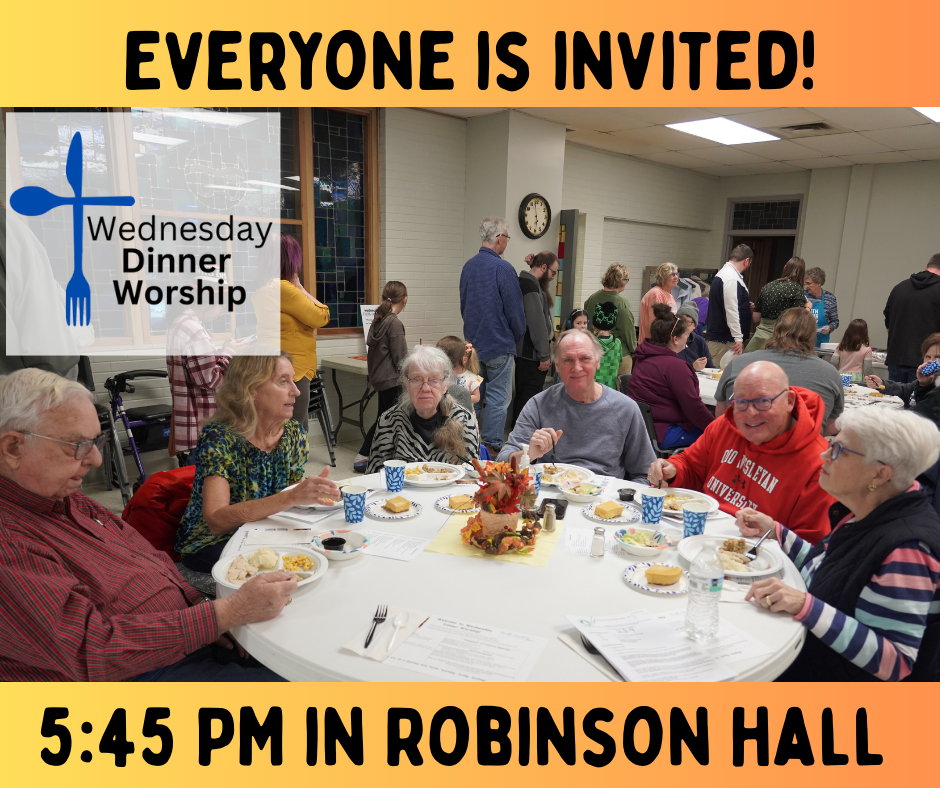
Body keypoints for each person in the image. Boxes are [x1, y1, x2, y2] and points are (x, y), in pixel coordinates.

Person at [0, 368, 303, 681]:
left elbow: (150, 557)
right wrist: (227, 613)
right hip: (133, 672)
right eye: (76, 444)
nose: (96, 460)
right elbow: (90, 651)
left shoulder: (66, 498)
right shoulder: (10, 539)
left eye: (96, 441)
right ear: (13, 448)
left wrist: (201, 607)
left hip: (183, 630)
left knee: (302, 651)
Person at [736, 408, 940, 681]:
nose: (824, 455)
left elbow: (895, 661)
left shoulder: (908, 549)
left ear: (879, 474)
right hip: (806, 656)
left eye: (839, 450)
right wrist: (777, 532)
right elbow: (833, 574)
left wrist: (805, 606)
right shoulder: (872, 509)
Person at [176, 352, 339, 574]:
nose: (296, 391)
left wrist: (307, 497)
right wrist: (292, 497)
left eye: (293, 380)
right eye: (283, 381)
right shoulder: (220, 437)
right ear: (252, 389)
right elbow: (216, 521)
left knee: (322, 551)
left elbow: (288, 498)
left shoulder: (294, 433)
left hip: (264, 529)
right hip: (212, 542)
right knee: (278, 571)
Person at [648, 361, 834, 544]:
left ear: (789, 401)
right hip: (700, 538)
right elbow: (690, 465)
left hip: (759, 555)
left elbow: (811, 548)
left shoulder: (820, 465)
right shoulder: (724, 426)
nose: (750, 413)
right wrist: (672, 470)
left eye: (763, 401)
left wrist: (774, 532)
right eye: (741, 402)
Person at [498, 329, 656, 482]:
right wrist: (529, 454)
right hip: (550, 495)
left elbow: (646, 474)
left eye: (585, 358)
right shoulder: (539, 405)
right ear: (557, 365)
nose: (577, 368)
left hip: (604, 495)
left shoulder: (625, 409)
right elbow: (501, 462)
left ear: (597, 362)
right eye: (568, 360)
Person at [715, 308, 844, 433]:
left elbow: (721, 415)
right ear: (812, 336)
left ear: (774, 330)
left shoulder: (738, 363)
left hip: (740, 442)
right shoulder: (830, 373)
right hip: (802, 444)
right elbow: (834, 424)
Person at [166, 279, 254, 461]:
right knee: (205, 474)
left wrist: (224, 350)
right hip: (202, 423)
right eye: (221, 306)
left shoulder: (180, 323)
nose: (221, 312)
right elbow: (210, 380)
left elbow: (199, 367)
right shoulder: (194, 330)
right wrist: (230, 353)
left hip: (193, 421)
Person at [459, 217, 526, 455]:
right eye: (507, 237)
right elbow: (515, 311)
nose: (506, 242)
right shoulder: (503, 268)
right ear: (499, 238)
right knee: (498, 399)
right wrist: (516, 336)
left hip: (473, 344)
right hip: (499, 344)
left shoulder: (468, 266)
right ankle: (491, 447)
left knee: (474, 397)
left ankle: (469, 446)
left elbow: (464, 305)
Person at [254, 233, 331, 424]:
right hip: (293, 369)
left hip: (275, 366)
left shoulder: (263, 288)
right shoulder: (283, 288)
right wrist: (300, 288)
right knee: (296, 428)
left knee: (280, 425)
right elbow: (322, 316)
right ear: (288, 260)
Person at [367, 345, 480, 472]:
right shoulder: (389, 420)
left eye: (434, 380)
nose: (425, 388)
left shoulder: (464, 419)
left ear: (445, 385)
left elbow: (473, 474)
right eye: (416, 380)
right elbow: (375, 474)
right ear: (407, 384)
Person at [628, 304, 714, 448]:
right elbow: (694, 409)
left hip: (641, 428)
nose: (687, 339)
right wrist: (718, 427)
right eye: (686, 335)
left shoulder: (643, 357)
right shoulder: (676, 367)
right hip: (664, 431)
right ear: (675, 339)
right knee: (717, 436)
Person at [353, 281, 408, 471]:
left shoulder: (378, 320)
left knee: (384, 418)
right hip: (393, 381)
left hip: (380, 379)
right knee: (389, 420)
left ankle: (373, 456)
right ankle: (363, 457)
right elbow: (401, 359)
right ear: (405, 300)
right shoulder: (395, 323)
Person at [514, 252, 558, 425]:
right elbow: (536, 323)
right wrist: (544, 355)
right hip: (531, 353)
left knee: (524, 395)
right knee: (528, 397)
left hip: (527, 352)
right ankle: (522, 434)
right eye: (553, 272)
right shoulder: (530, 286)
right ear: (544, 267)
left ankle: (519, 431)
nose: (553, 277)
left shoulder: (529, 283)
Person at [883, 253, 940, 383]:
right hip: (928, 365)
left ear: (926, 267)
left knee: (895, 395)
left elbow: (888, 323)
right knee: (922, 396)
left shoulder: (899, 287)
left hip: (896, 358)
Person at [745, 256, 808, 353]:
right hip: (781, 341)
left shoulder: (767, 286)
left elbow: (756, 317)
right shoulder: (796, 289)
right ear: (802, 273)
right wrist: (808, 308)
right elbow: (798, 320)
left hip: (759, 340)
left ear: (785, 267)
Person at [866, 333, 940, 414]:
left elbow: (920, 413)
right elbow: (906, 390)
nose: (931, 362)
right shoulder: (929, 380)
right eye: (928, 357)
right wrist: (882, 384)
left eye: (938, 358)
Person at [584, 264, 637, 374]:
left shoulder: (593, 297)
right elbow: (627, 330)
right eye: (626, 280)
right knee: (618, 384)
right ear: (621, 281)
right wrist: (634, 350)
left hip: (595, 350)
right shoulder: (621, 302)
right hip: (619, 353)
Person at [705, 244, 752, 366]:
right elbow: (731, 309)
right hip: (725, 340)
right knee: (718, 374)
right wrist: (738, 338)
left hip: (723, 339)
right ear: (746, 261)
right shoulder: (731, 278)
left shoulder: (724, 274)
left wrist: (745, 306)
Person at [437, 336, 483, 434]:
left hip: (465, 415)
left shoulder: (471, 378)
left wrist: (459, 397)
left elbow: (477, 397)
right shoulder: (444, 376)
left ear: (464, 359)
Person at [638, 262, 678, 345]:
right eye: (672, 275)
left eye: (676, 274)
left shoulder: (669, 295)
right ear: (663, 277)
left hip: (665, 342)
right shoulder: (656, 294)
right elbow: (656, 325)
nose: (676, 277)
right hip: (653, 344)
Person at [804, 266, 839, 349]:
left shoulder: (830, 298)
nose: (805, 286)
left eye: (809, 283)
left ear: (819, 283)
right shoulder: (803, 296)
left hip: (820, 344)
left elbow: (835, 321)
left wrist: (829, 328)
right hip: (803, 343)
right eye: (805, 283)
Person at [592, 302, 622, 389]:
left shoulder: (591, 343)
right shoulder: (617, 343)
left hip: (594, 388)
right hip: (611, 389)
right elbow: (620, 362)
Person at [675, 302, 713, 370]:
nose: (684, 325)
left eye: (688, 322)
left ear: (694, 326)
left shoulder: (700, 341)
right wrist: (693, 367)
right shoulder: (671, 341)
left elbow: (710, 367)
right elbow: (670, 367)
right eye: (681, 321)